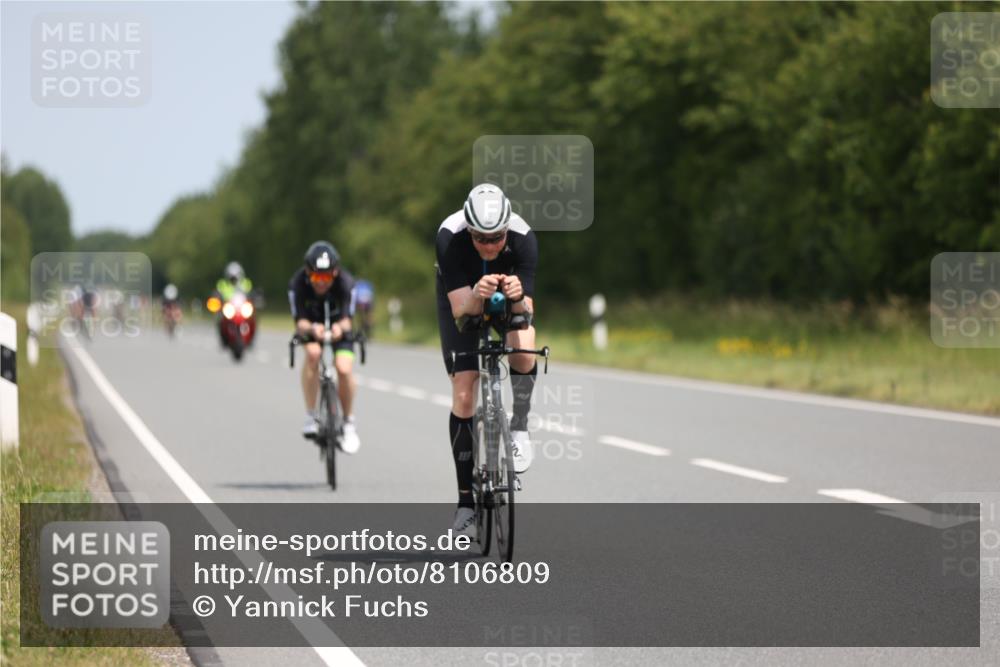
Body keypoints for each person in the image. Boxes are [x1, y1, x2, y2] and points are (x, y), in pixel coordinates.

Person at [436, 184, 538, 535]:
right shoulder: (450, 237)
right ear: (469, 228)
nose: (490, 245)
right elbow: (462, 316)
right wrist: (479, 296)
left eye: (497, 238)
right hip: (464, 298)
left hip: (508, 299)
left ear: (507, 229)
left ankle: (520, 426)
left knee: (524, 347)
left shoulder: (524, 238)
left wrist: (518, 297)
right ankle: (465, 503)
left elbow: (527, 312)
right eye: (481, 238)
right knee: (465, 391)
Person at [288, 241, 361, 453]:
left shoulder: (347, 283)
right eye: (316, 277)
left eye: (326, 277)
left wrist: (339, 327)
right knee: (313, 353)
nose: (321, 283)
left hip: (339, 326)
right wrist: (312, 328)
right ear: (308, 272)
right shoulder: (297, 284)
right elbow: (299, 321)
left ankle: (348, 422)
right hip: (312, 326)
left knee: (344, 367)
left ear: (335, 272)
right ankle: (311, 415)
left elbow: (349, 319)